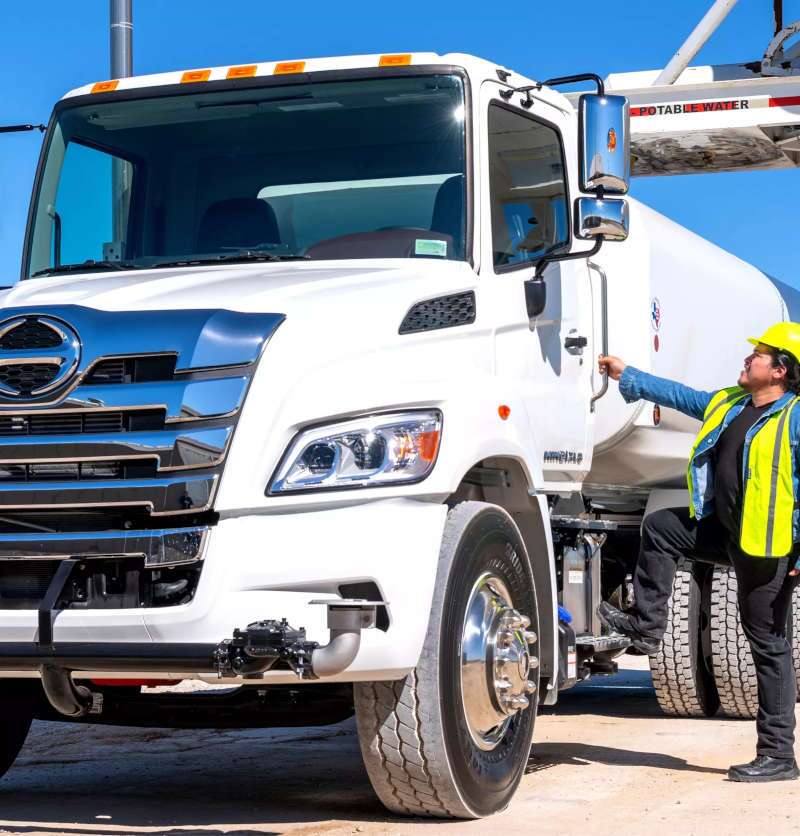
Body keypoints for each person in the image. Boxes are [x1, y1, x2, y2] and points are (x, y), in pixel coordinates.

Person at [598, 323, 800, 783]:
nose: (749, 359)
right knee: (664, 526)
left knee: (768, 647)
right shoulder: (731, 404)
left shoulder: (795, 418)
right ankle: (647, 627)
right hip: (727, 534)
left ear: (781, 370)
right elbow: (681, 395)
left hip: (768, 550)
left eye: (760, 355)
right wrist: (627, 375)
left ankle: (778, 755)